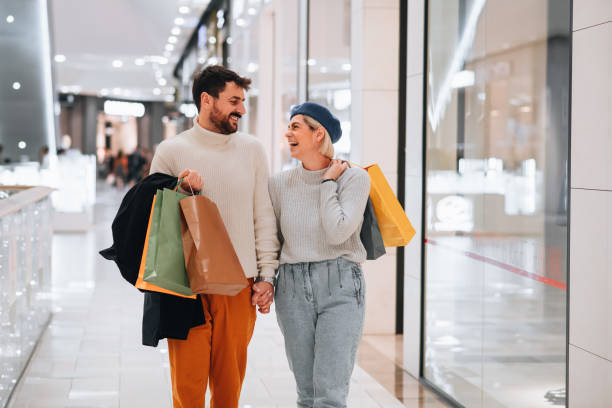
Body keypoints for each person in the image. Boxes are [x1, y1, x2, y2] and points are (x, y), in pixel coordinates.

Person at [149, 65, 279, 408]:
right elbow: (152, 219)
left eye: (243, 101)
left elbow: (262, 215)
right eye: (234, 100)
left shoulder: (252, 150)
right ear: (207, 100)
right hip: (184, 284)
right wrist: (178, 189)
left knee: (228, 386)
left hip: (239, 282)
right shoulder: (171, 151)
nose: (242, 109)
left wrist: (267, 275)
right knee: (187, 387)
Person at [267, 102, 371, 407]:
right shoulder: (279, 184)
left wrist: (327, 183)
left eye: (296, 126)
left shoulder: (353, 178)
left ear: (318, 133)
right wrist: (264, 280)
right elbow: (272, 239)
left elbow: (338, 231)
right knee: (307, 393)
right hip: (291, 286)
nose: (288, 133)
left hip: (340, 283)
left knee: (330, 395)